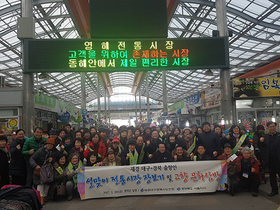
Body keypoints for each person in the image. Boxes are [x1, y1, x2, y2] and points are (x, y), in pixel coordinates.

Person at [29, 138, 58, 203]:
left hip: (48, 171)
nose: (49, 145)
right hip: (40, 171)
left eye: (51, 144)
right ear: (46, 144)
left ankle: (44, 197)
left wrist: (52, 160)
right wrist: (35, 165)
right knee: (40, 185)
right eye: (48, 144)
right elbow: (32, 159)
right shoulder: (40, 151)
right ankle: (39, 199)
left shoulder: (54, 151)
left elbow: (56, 159)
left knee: (47, 184)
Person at [259, 121, 280, 196]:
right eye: (270, 127)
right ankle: (274, 190)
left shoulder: (279, 135)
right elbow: (262, 148)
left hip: (278, 159)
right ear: (268, 128)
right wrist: (261, 142)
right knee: (272, 176)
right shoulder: (265, 137)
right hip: (270, 160)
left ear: (276, 127)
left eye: (273, 126)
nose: (272, 128)